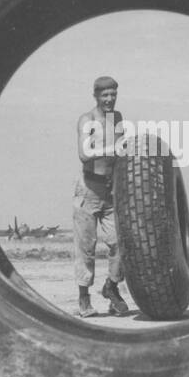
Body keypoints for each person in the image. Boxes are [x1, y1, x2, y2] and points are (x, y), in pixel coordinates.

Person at [74, 76, 129, 317]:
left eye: (113, 95)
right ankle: (84, 297)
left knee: (121, 243)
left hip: (110, 190)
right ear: (95, 96)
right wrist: (112, 150)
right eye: (105, 95)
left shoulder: (117, 118)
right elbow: (84, 155)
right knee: (86, 247)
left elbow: (120, 152)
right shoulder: (87, 120)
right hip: (88, 189)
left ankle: (111, 287)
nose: (109, 99)